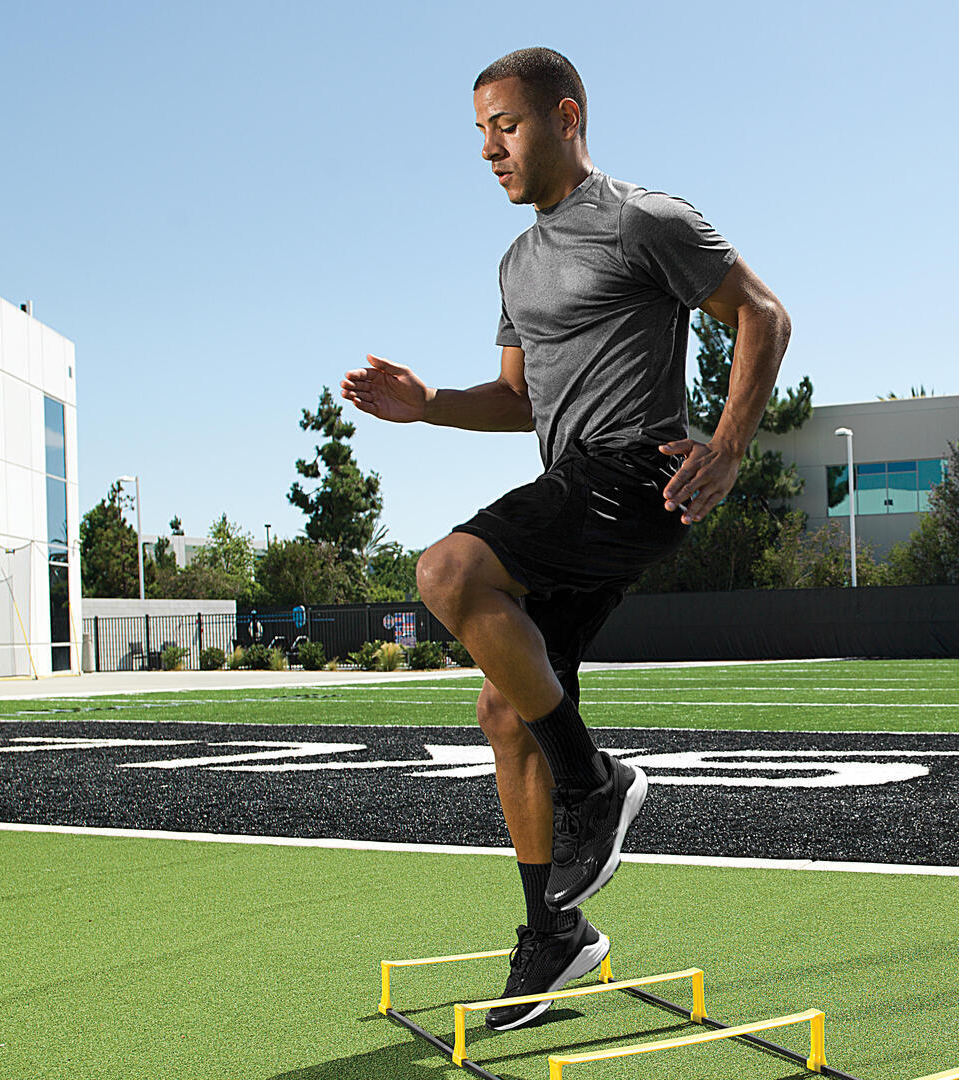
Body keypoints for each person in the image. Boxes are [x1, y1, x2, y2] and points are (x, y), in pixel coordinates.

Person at [340, 46, 791, 1030]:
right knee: (505, 713)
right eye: (479, 133)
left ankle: (595, 783)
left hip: (634, 475)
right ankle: (555, 931)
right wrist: (425, 407)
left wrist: (726, 445)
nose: (490, 149)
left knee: (448, 570)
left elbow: (761, 313)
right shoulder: (515, 265)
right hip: (570, 489)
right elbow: (515, 399)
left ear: (566, 117)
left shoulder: (644, 220)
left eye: (506, 125)